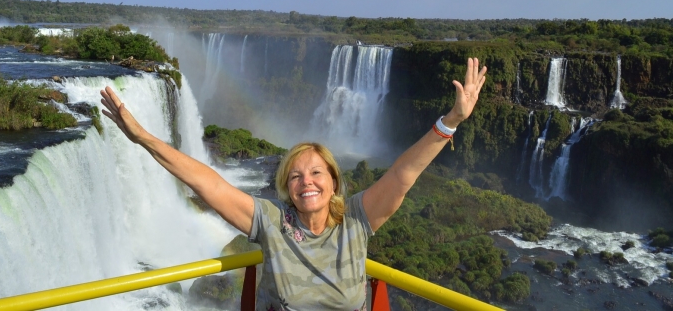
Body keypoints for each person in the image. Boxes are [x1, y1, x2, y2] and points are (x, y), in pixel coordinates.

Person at [100, 57, 487, 310]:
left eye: (317, 172)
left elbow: (404, 174)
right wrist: (144, 138)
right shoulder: (273, 221)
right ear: (287, 188)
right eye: (296, 175)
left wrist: (452, 119)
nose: (307, 182)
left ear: (334, 181)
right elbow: (210, 185)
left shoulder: (357, 218)